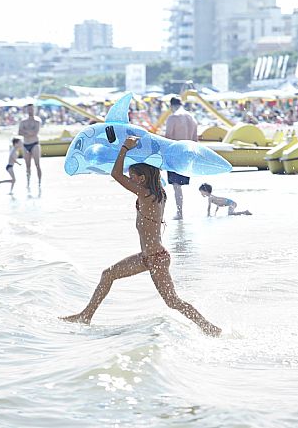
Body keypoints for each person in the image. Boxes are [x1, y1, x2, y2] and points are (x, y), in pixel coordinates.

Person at [61, 136, 221, 337]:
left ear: (142, 179)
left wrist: (125, 148)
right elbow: (151, 168)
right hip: (148, 257)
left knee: (172, 302)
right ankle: (86, 316)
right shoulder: (157, 192)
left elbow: (116, 174)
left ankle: (209, 327)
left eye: (133, 176)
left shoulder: (147, 195)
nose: (130, 178)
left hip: (156, 259)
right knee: (108, 274)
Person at [165, 97, 198, 220]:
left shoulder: (173, 117)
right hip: (187, 154)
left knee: (176, 186)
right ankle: (181, 211)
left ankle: (180, 212)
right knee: (179, 185)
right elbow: (195, 140)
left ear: (171, 106)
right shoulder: (192, 118)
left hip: (175, 154)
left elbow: (168, 137)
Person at [18, 103, 42, 189]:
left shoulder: (37, 121)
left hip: (34, 144)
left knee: (37, 164)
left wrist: (26, 131)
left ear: (34, 109)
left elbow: (35, 132)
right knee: (27, 166)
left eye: (31, 109)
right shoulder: (23, 121)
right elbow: (19, 132)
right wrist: (29, 132)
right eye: (29, 109)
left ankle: (39, 183)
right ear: (26, 110)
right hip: (26, 144)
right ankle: (28, 183)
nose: (30, 111)